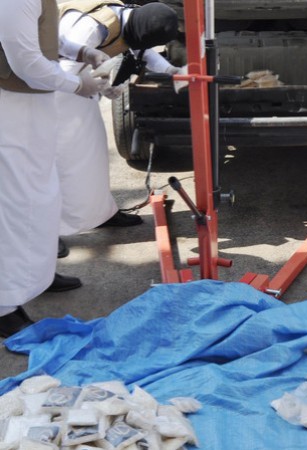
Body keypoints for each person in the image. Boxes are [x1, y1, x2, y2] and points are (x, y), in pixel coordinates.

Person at [0, 0, 108, 337]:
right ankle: (5, 304)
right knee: (14, 206)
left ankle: (37, 277)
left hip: (32, 108)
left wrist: (81, 51)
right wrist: (77, 84)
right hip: (10, 112)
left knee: (41, 199)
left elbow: (44, 36)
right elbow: (27, 62)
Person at [55, 1, 180, 256]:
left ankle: (101, 213)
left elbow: (142, 49)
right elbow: (60, 71)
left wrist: (170, 70)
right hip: (54, 93)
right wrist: (93, 86)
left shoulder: (129, 18)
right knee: (59, 162)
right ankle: (48, 232)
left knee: (93, 154)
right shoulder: (91, 27)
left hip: (78, 88)